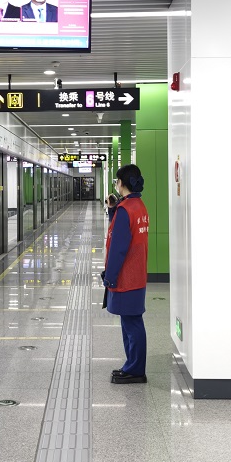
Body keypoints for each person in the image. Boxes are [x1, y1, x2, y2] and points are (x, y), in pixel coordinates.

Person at [102, 164, 149, 384]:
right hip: (137, 274)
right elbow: (124, 232)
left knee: (132, 324)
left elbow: (118, 248)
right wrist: (113, 209)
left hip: (126, 277)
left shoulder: (125, 210)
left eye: (117, 181)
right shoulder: (138, 206)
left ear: (121, 183)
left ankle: (136, 370)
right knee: (131, 321)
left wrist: (109, 277)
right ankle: (132, 365)